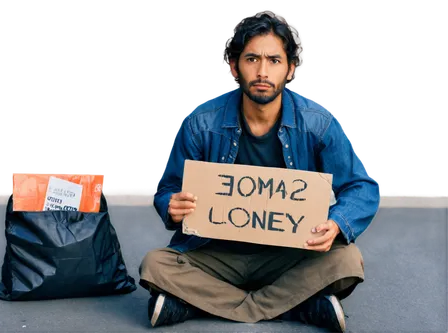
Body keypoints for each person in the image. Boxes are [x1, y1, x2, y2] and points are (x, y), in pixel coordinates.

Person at [139, 8, 381, 333]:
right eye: (252, 59)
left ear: (291, 69)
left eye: (274, 61)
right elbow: (168, 188)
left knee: (347, 260)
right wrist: (171, 205)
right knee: (155, 265)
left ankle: (193, 304)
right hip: (215, 254)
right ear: (233, 68)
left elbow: (362, 187)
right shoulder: (200, 123)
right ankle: (302, 306)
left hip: (288, 256)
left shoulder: (317, 123)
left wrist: (338, 223)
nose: (263, 71)